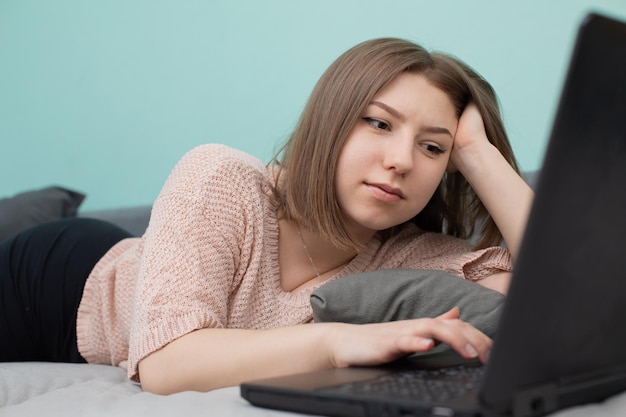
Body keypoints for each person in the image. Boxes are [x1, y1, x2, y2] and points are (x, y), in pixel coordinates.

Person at [0, 38, 533, 394]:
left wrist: (479, 153)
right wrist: (334, 344)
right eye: (377, 123)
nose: (401, 160)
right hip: (54, 286)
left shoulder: (415, 255)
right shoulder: (222, 176)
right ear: (330, 120)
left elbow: (561, 295)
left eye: (433, 149)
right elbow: (165, 366)